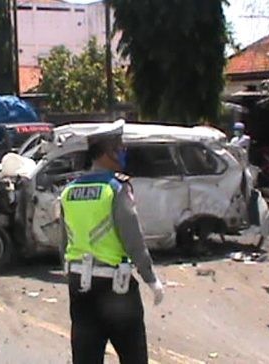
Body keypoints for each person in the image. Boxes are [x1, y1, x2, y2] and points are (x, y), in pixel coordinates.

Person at [59, 119, 164, 364]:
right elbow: (133, 239)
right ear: (108, 152)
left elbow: (64, 244)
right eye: (119, 147)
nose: (123, 151)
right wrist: (151, 279)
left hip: (80, 286)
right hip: (115, 289)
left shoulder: (69, 191)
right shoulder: (116, 189)